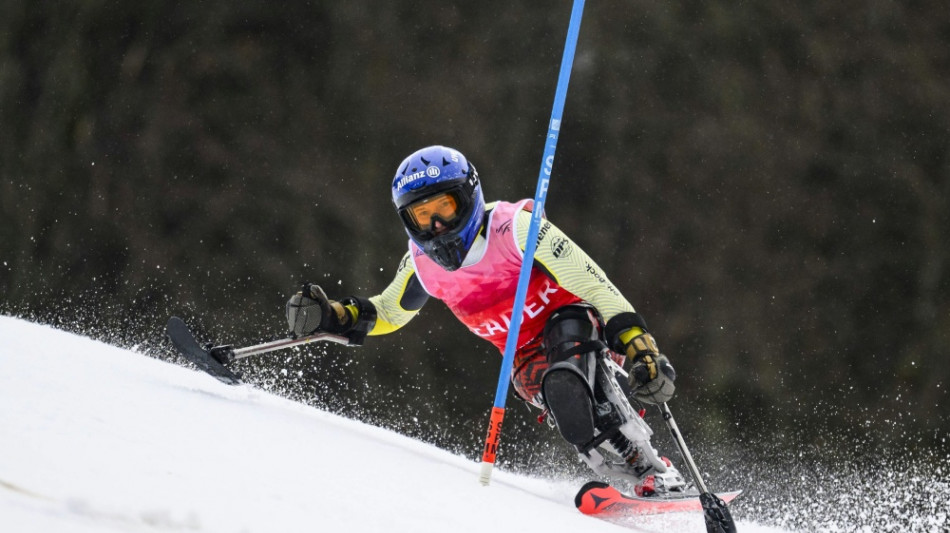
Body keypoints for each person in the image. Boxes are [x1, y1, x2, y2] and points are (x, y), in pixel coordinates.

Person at [286, 145, 684, 495]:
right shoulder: (422, 264)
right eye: (422, 216)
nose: (436, 226)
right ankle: (624, 467)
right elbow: (388, 311)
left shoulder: (516, 229)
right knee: (560, 394)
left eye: (445, 208)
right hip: (525, 355)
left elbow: (594, 284)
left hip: (576, 321)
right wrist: (334, 316)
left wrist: (639, 346)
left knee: (570, 361)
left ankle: (653, 468)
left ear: (469, 197)